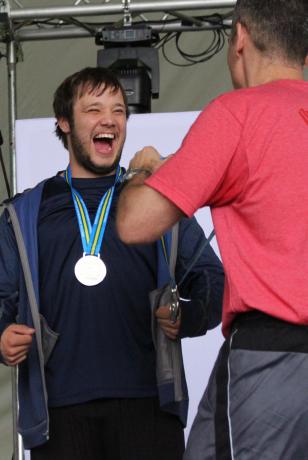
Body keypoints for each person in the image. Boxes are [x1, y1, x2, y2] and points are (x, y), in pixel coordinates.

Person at [0, 67, 224, 460]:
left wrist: (188, 316)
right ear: (64, 123)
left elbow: (211, 278)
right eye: (93, 109)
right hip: (58, 414)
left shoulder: (154, 199)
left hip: (150, 407)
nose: (109, 119)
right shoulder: (24, 213)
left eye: (119, 110)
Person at [116, 1, 308, 459]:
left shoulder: (238, 114)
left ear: (240, 37)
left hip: (272, 355)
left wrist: (144, 171)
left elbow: (134, 222)